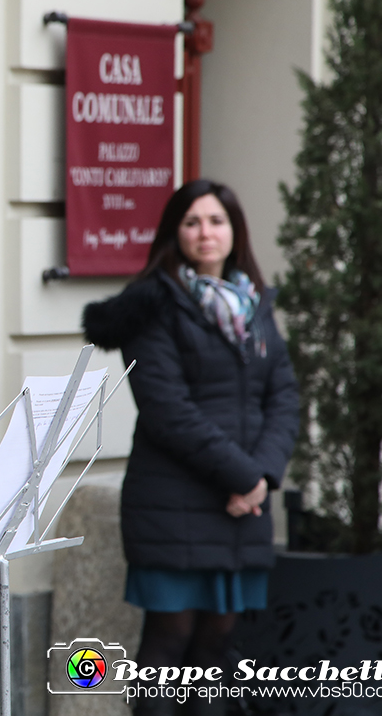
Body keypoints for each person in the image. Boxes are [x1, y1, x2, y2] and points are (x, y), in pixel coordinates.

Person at [82, 180, 299, 715]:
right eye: (193, 222)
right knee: (168, 647)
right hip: (173, 505)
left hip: (240, 506)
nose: (206, 233)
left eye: (217, 221)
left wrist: (263, 478)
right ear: (174, 233)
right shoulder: (153, 305)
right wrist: (245, 478)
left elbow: (284, 397)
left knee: (216, 649)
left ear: (235, 231)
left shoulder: (256, 304)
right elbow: (167, 411)